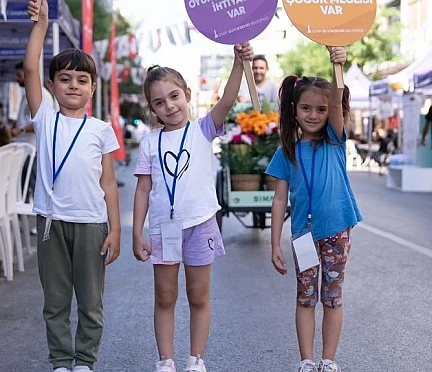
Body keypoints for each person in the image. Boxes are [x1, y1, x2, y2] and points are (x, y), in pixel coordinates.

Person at [132, 42, 253, 372]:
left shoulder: (203, 130)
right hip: (164, 228)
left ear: (186, 93)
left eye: (174, 96)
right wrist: (137, 233)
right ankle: (165, 361)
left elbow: (226, 99)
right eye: (159, 102)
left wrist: (239, 64)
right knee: (165, 297)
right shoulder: (150, 143)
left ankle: (196, 360)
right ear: (152, 108)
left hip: (200, 224)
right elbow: (143, 189)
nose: (169, 106)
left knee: (199, 297)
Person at [26, 0, 122, 372]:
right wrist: (41, 26)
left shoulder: (101, 130)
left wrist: (115, 229)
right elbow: (30, 70)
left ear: (93, 88)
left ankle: (85, 360)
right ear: (52, 85)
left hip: (91, 224)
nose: (73, 86)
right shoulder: (45, 117)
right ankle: (61, 361)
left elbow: (110, 184)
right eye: (64, 79)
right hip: (51, 221)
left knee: (91, 302)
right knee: (55, 300)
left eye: (82, 80)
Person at [266, 47, 363, 372]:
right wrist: (274, 241)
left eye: (320, 109)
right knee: (305, 298)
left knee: (332, 297)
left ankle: (329, 360)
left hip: (336, 229)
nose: (313, 114)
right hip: (303, 236)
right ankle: (307, 360)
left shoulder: (335, 139)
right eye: (306, 108)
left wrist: (338, 66)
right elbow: (279, 200)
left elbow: (336, 101)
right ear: (294, 110)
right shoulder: (286, 152)